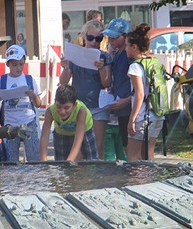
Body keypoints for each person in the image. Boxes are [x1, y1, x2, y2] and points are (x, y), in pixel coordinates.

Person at [60, 20, 111, 159]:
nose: (94, 42)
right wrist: (65, 67)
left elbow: (106, 83)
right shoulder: (75, 54)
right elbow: (63, 82)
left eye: (98, 39)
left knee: (98, 147)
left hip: (98, 106)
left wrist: (101, 68)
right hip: (79, 106)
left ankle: (97, 172)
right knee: (78, 147)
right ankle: (80, 172)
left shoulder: (104, 56)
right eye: (90, 37)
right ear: (84, 36)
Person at [124, 24, 165, 161]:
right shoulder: (153, 62)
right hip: (157, 116)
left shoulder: (135, 67)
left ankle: (140, 177)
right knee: (148, 156)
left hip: (142, 118)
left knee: (133, 158)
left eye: (127, 45)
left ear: (134, 47)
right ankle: (151, 176)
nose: (125, 49)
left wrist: (132, 119)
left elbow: (140, 94)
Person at [0, 44, 41, 162]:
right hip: (10, 124)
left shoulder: (29, 79)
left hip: (28, 122)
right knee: (11, 159)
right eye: (14, 65)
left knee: (34, 158)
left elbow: (38, 104)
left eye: (21, 64)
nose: (18, 68)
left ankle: (33, 174)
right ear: (8, 64)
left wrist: (33, 96)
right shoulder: (2, 81)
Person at [39, 84, 98, 162]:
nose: (62, 111)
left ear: (74, 105)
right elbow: (44, 137)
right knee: (61, 164)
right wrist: (43, 161)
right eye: (58, 106)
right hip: (62, 133)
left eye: (66, 108)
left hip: (85, 132)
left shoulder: (81, 111)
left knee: (90, 162)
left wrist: (69, 161)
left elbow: (78, 139)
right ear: (55, 102)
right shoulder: (50, 111)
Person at [101, 18, 132, 160]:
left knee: (130, 150)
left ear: (125, 37)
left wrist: (127, 100)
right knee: (125, 147)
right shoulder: (118, 54)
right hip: (121, 109)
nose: (111, 40)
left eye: (114, 37)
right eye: (109, 37)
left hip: (129, 109)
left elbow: (140, 85)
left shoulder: (129, 55)